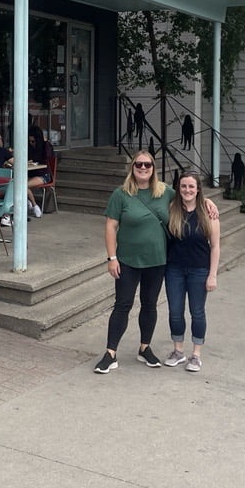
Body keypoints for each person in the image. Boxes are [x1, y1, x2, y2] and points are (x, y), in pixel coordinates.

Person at [95, 151, 173, 374]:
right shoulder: (121, 194)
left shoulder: (165, 192)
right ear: (132, 167)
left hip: (157, 260)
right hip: (128, 260)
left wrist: (207, 202)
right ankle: (110, 353)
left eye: (147, 164)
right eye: (138, 164)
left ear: (153, 168)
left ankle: (144, 348)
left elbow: (189, 199)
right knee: (123, 305)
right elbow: (111, 226)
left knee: (150, 304)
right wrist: (112, 258)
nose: (143, 167)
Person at [163, 172, 221, 373]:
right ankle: (178, 351)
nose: (187, 190)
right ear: (179, 189)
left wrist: (212, 274)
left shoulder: (207, 213)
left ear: (198, 189)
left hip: (199, 270)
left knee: (197, 312)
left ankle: (196, 355)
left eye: (191, 187)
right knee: (175, 312)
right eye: (183, 186)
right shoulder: (172, 209)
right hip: (174, 269)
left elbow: (215, 247)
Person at [25, 125, 54, 218]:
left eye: (33, 141)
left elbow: (48, 158)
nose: (31, 143)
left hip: (43, 174)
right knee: (16, 183)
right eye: (29, 141)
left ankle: (34, 205)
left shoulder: (46, 146)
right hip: (31, 172)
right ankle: (28, 202)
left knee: (23, 186)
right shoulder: (29, 147)